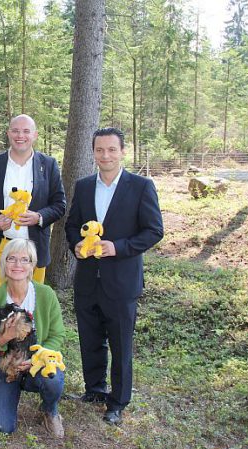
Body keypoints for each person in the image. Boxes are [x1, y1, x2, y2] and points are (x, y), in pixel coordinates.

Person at [65, 127, 163, 425]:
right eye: (99, 150)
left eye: (111, 150)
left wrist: (117, 247)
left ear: (122, 152)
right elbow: (71, 226)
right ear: (93, 152)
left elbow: (154, 231)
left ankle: (118, 402)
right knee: (90, 339)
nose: (105, 155)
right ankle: (94, 389)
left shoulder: (141, 186)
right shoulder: (83, 186)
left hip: (121, 282)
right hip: (87, 280)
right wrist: (77, 245)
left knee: (120, 344)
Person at [0, 238, 65, 439]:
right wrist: (4, 337)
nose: (18, 265)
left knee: (51, 379)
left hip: (38, 360)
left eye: (24, 260)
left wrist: (36, 358)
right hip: (6, 361)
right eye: (12, 259)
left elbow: (57, 334)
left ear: (32, 265)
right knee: (0, 427)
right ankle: (9, 391)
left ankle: (49, 410)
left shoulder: (45, 294)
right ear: (4, 264)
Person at [0, 114, 66, 300]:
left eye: (26, 131)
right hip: (0, 245)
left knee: (29, 308)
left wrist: (39, 217)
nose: (21, 135)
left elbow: (60, 204)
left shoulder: (49, 165)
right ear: (8, 133)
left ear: (35, 135)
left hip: (34, 249)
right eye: (16, 130)